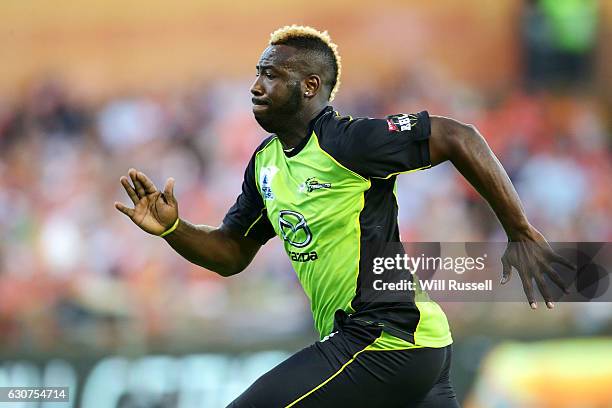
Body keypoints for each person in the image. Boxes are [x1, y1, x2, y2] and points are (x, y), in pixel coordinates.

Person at [115, 25, 573, 407]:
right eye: (256, 73)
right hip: (417, 347)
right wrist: (174, 229)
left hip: (385, 338)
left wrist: (519, 230)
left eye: (271, 75)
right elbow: (232, 253)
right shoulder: (266, 163)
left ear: (310, 86)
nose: (255, 86)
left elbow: (460, 136)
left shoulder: (347, 142)